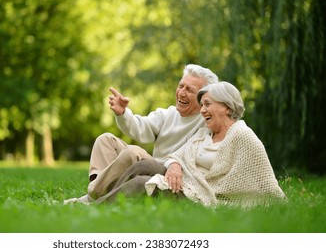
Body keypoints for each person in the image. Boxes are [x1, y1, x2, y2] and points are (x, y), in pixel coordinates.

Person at [94, 81, 286, 207]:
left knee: (140, 183)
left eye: (207, 104)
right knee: (144, 165)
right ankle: (101, 199)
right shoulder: (205, 133)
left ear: (227, 108)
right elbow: (177, 155)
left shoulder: (243, 136)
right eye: (202, 105)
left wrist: (275, 201)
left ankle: (96, 208)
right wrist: (175, 164)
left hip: (201, 196)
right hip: (188, 183)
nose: (202, 110)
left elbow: (265, 180)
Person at [63, 64, 219, 204]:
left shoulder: (206, 120)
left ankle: (92, 196)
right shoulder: (168, 114)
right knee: (105, 140)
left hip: (167, 173)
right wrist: (123, 113)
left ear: (203, 97)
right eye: (181, 86)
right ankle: (99, 192)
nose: (181, 93)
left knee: (133, 152)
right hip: (145, 167)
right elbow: (140, 128)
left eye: (190, 90)